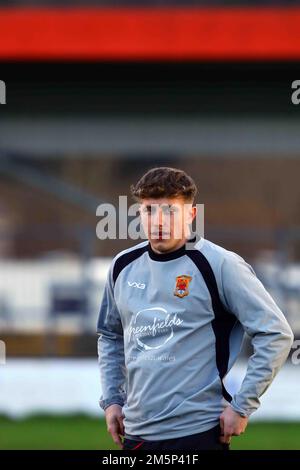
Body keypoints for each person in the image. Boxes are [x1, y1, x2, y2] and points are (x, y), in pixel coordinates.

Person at [97, 166, 294, 451]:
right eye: (150, 211)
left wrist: (242, 407)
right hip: (137, 433)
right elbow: (110, 335)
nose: (159, 221)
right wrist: (112, 399)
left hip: (198, 433)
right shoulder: (122, 266)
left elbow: (276, 334)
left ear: (190, 215)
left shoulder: (220, 265)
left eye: (170, 211)